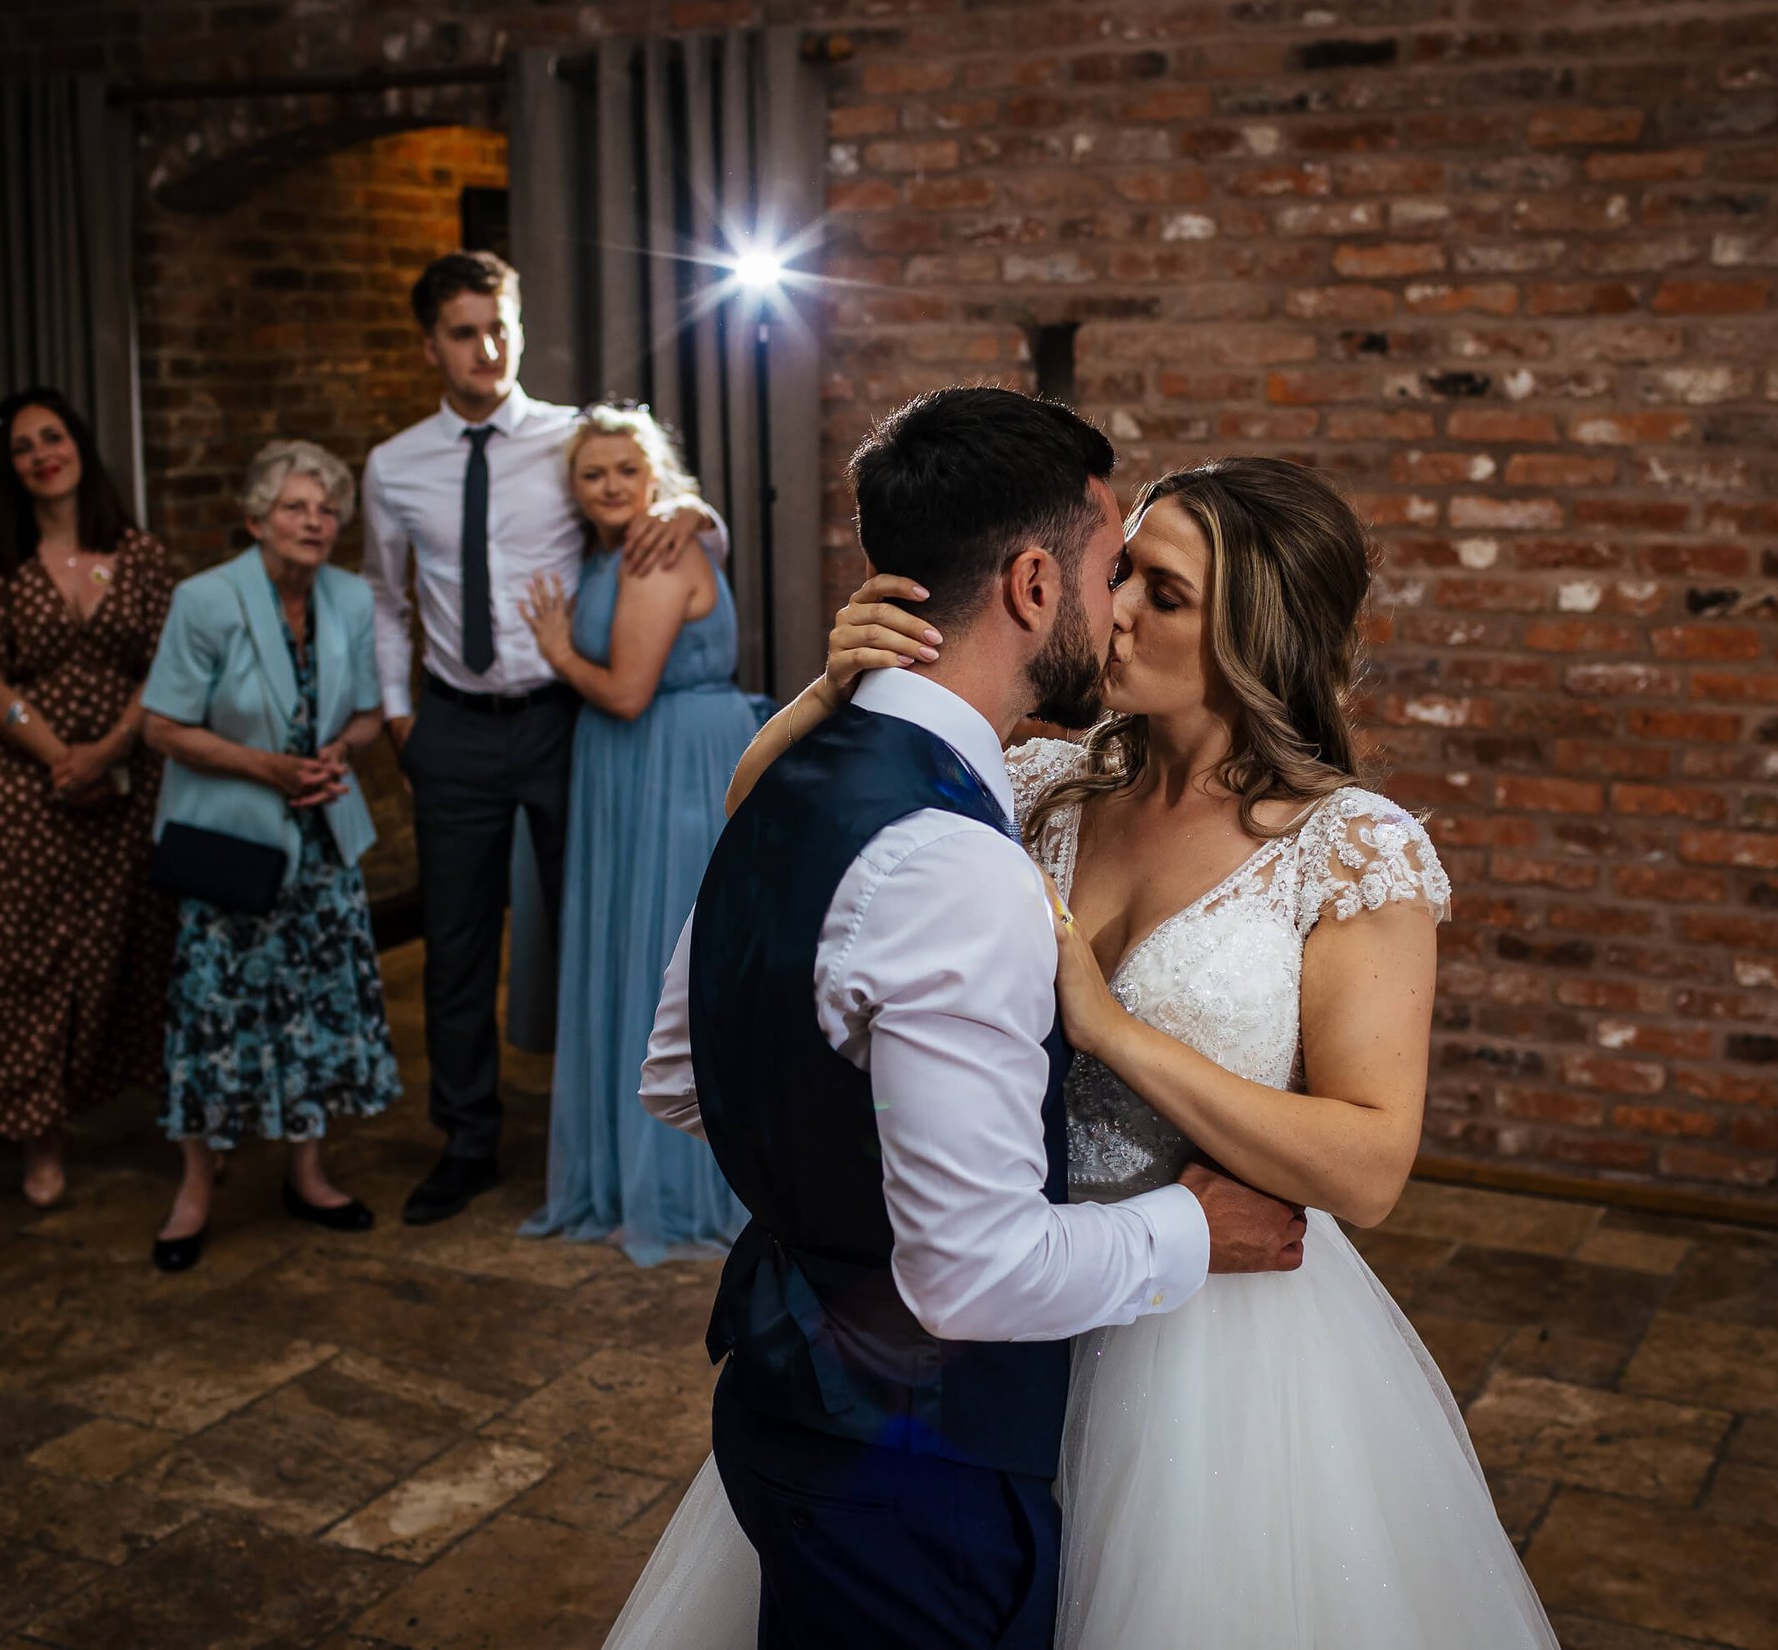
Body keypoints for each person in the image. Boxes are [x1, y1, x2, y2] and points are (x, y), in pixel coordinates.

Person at [607, 438, 1559, 1649]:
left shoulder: (1349, 847)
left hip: (1210, 1333)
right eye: (1122, 574)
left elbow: (1371, 1162)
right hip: (1001, 1292)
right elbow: (787, 836)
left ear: (1255, 633)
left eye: (1161, 593)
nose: (1111, 613)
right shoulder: (1044, 777)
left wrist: (1110, 1027)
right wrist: (831, 691)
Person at [360, 250, 724, 1227]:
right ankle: (466, 1138)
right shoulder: (393, 467)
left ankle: (604, 1129)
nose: (486, 348)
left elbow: (652, 504)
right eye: (462, 332)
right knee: (458, 944)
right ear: (428, 343)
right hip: (452, 726)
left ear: (517, 326)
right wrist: (401, 718)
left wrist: (696, 507)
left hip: (570, 724)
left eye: (499, 326)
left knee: (594, 928)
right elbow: (387, 602)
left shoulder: (570, 441)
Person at [140, 440, 403, 1273]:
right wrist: (270, 768)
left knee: (317, 1008)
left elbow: (364, 714)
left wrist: (335, 755)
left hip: (324, 843)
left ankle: (308, 1170)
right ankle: (194, 1187)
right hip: (231, 841)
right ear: (257, 519)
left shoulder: (349, 598)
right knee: (215, 1011)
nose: (315, 521)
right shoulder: (205, 600)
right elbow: (162, 725)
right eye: (296, 507)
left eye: (327, 509)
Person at [0, 389, 177, 1209]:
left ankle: (179, 1126)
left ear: (80, 445)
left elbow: (165, 666)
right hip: (23, 791)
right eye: (23, 448)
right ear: (11, 469)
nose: (40, 455)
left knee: (134, 951)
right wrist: (61, 755)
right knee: (28, 963)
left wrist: (107, 750)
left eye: (52, 437)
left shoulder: (138, 553)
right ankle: (41, 1143)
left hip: (127, 782)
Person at [515, 405, 757, 1266]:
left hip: (669, 764)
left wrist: (554, 648)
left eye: (627, 469)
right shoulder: (627, 548)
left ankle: (678, 1184)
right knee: (637, 957)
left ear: (654, 476)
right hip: (631, 766)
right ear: (574, 489)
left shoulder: (662, 547)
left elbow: (622, 690)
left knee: (667, 964)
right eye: (594, 474)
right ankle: (633, 1175)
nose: (612, 485)